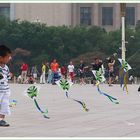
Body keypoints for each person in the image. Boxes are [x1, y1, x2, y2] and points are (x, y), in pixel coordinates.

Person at [0, 45, 12, 126]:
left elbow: (7, 76)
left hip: (6, 90)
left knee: (5, 105)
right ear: (1, 58)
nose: (9, 59)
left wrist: (9, 75)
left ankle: (1, 119)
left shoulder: (6, 67)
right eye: (8, 57)